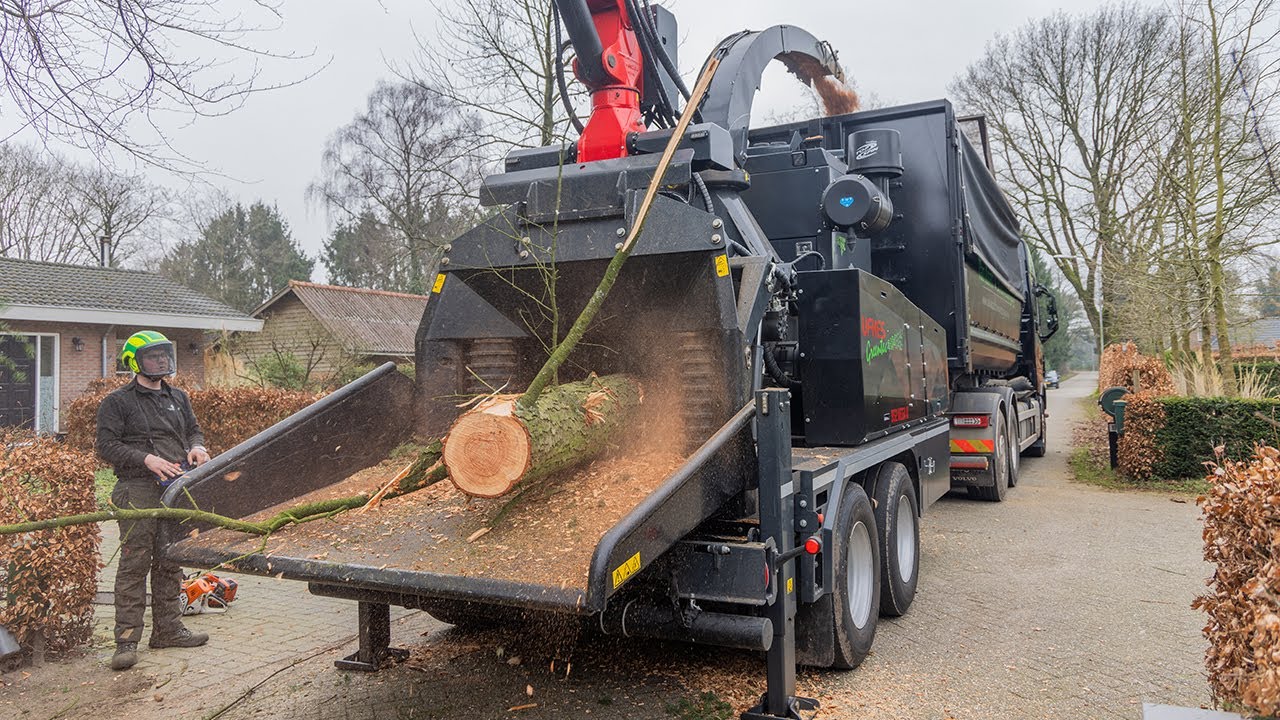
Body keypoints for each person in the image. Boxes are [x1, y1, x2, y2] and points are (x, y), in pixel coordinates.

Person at [96, 330, 211, 671]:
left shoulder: (179, 396)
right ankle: (126, 641)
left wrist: (197, 447)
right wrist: (146, 459)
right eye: (153, 356)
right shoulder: (117, 402)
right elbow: (107, 446)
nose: (161, 360)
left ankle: (168, 630)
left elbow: (194, 429)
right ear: (134, 362)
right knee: (135, 564)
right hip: (137, 489)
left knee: (170, 560)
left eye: (164, 355)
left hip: (176, 488)